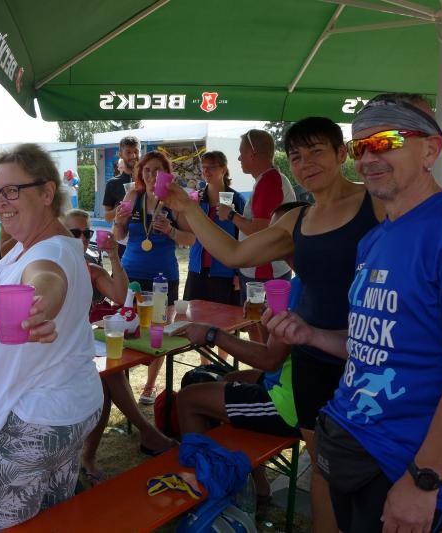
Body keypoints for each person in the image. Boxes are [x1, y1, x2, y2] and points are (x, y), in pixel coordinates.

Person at [264, 93, 442, 533]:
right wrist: (312, 335)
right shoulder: (375, 239)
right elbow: (374, 344)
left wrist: (424, 480)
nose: (368, 157)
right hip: (349, 441)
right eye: (360, 146)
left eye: (386, 141)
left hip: (406, 461)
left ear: (431, 149)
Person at [163, 117, 384, 533]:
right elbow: (234, 253)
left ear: (342, 154)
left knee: (373, 473)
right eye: (296, 156)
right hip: (312, 362)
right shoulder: (297, 221)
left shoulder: (377, 203)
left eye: (316, 151)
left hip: (370, 361)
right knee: (324, 470)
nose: (305, 163)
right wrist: (190, 208)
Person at [0, 144, 103, 532]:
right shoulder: (29, 245)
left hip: (33, 419)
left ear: (46, 193)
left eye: (12, 191)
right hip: (65, 406)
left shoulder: (51, 251)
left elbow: (46, 278)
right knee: (53, 515)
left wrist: (40, 306)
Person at [175, 200, 308, 502]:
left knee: (189, 399)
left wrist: (213, 334)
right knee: (229, 379)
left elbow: (270, 360)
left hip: (291, 406)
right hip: (290, 383)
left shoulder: (303, 288)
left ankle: (206, 492)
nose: (269, 236)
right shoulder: (301, 282)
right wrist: (262, 321)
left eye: (278, 230)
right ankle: (256, 486)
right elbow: (278, 352)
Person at [62, 209, 176, 484]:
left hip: (83, 348)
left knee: (108, 376)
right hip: (56, 354)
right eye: (75, 233)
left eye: (87, 233)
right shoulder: (50, 267)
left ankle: (93, 456)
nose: (82, 238)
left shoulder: (91, 269)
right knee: (106, 378)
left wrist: (114, 256)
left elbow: (122, 295)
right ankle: (143, 434)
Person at [112, 151, 195, 405]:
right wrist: (117, 222)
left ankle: (149, 386)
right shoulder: (132, 196)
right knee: (126, 329)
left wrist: (171, 231)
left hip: (163, 277)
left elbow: (192, 238)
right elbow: (118, 235)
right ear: (140, 173)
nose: (151, 175)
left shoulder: (174, 202)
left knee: (158, 332)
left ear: (166, 174)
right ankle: (121, 384)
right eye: (146, 170)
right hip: (131, 274)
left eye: (157, 170)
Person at [229, 130, 296, 302]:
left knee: (257, 317)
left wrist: (230, 215)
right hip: (269, 267)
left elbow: (260, 229)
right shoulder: (271, 179)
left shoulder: (268, 182)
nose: (239, 158)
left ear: (252, 154)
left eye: (241, 153)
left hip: (264, 269)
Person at [180, 150, 246, 305]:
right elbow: (188, 231)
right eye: (203, 167)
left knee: (224, 318)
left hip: (225, 271)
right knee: (193, 316)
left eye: (211, 167)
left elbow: (244, 238)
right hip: (197, 270)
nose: (206, 171)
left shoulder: (236, 199)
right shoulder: (196, 198)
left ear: (223, 169)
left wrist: (239, 273)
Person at [103, 136, 140, 223]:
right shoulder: (112, 183)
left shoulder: (147, 180)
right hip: (122, 229)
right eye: (128, 152)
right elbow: (107, 218)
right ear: (120, 154)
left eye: (136, 152)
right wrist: (121, 207)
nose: (133, 156)